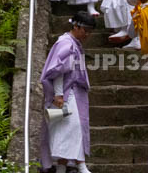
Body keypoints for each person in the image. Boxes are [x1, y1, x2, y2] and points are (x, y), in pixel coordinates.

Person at [39, 11, 94, 173]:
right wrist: (58, 94)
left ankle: (62, 167)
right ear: (76, 27)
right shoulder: (66, 44)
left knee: (67, 129)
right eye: (86, 30)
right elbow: (58, 71)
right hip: (67, 93)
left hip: (72, 92)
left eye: (90, 31)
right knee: (73, 128)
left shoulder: (72, 42)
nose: (88, 34)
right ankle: (81, 165)